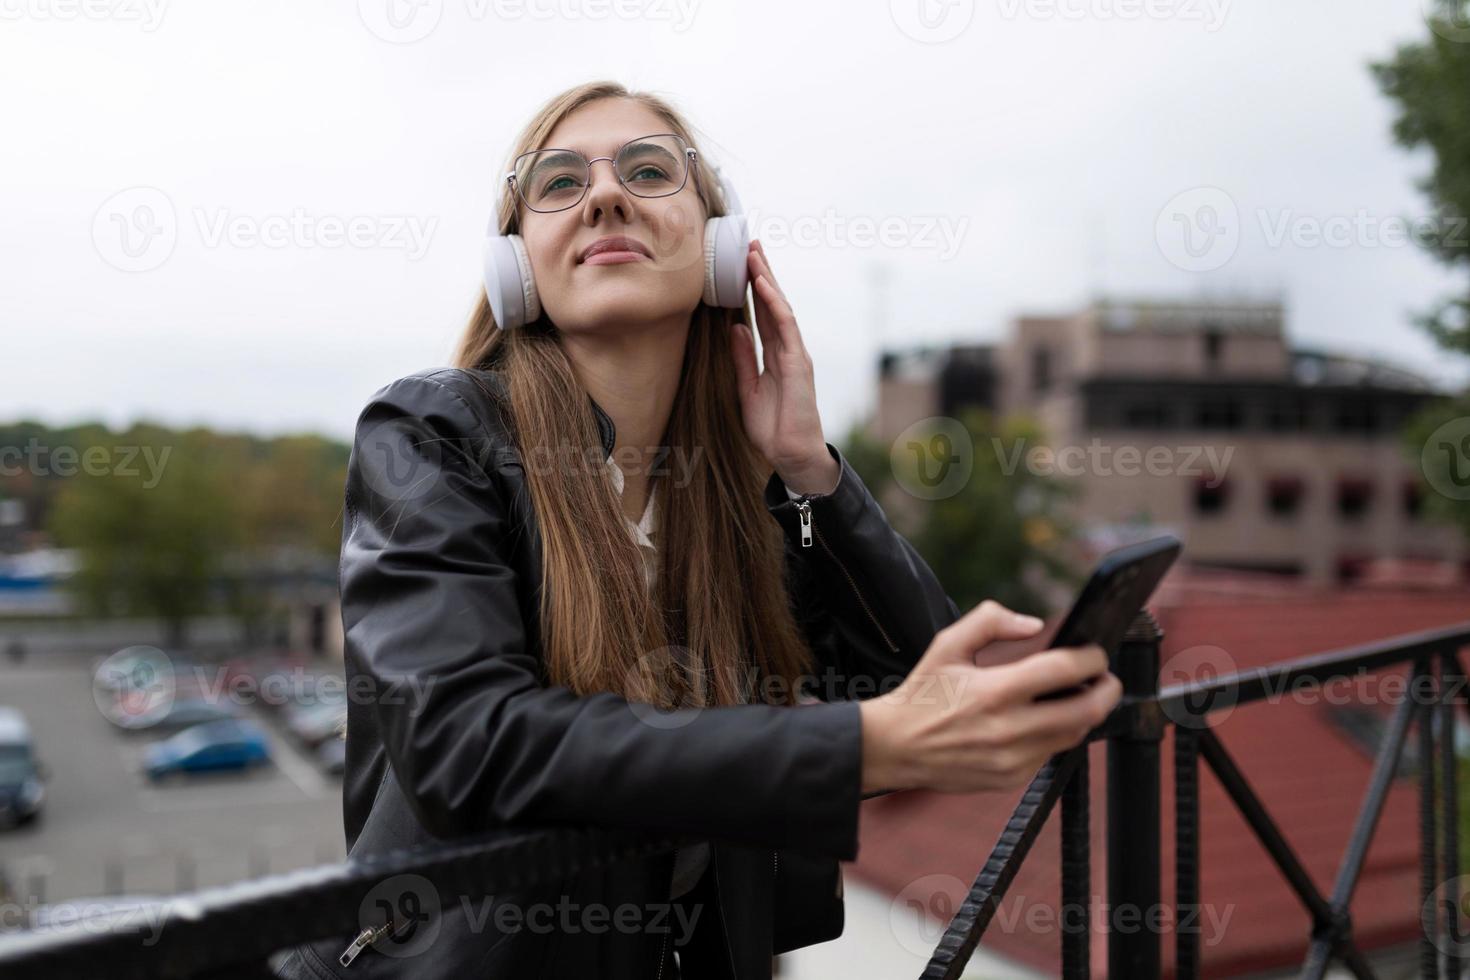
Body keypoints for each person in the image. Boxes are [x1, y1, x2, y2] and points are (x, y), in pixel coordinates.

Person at [271, 79, 1121, 980]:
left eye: (648, 170)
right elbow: (464, 744)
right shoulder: (433, 435)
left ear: (720, 245)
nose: (604, 194)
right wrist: (860, 741)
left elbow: (915, 686)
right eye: (557, 183)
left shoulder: (738, 493)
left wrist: (810, 471)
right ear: (515, 262)